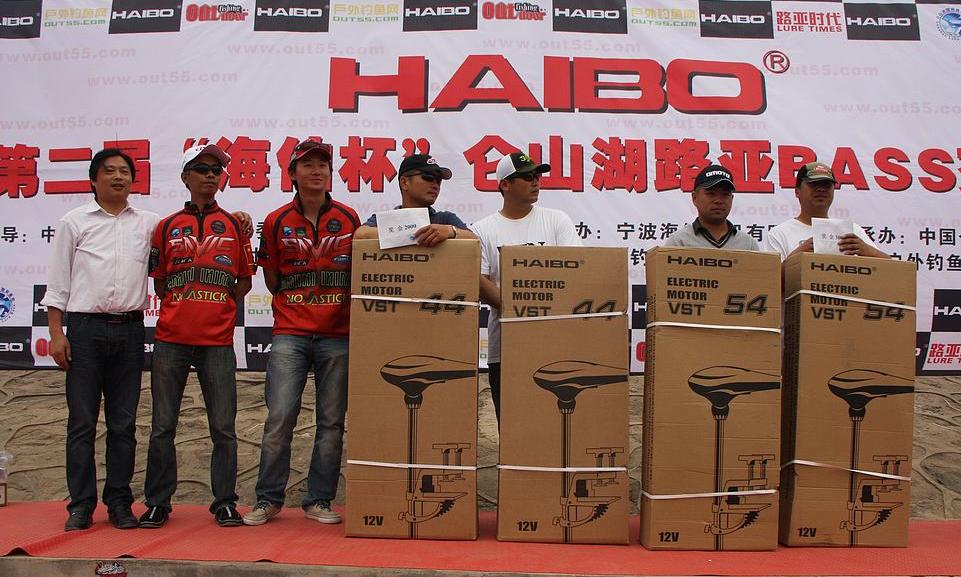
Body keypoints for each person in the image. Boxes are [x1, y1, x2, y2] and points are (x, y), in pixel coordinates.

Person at [243, 138, 360, 526]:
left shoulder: (349, 218)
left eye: (323, 165)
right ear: (292, 173)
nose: (316, 171)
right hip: (290, 333)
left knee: (331, 422)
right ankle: (268, 499)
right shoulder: (276, 220)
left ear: (331, 173)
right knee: (280, 417)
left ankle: (319, 500)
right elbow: (273, 279)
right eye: (307, 165)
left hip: (338, 334)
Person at [139, 144, 255, 528]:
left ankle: (225, 502)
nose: (210, 175)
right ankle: (158, 503)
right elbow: (160, 283)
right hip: (171, 338)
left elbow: (243, 281)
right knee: (162, 426)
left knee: (223, 427)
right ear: (185, 177)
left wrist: (215, 308)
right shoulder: (166, 226)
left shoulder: (236, 225)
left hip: (217, 341)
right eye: (202, 169)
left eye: (215, 171)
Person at [43, 148, 159, 531]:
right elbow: (58, 284)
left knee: (124, 424)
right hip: (84, 331)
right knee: (82, 423)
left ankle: (120, 503)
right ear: (93, 179)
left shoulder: (149, 224)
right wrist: (56, 333)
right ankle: (80, 505)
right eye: (109, 171)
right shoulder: (74, 222)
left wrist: (239, 219)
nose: (118, 177)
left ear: (133, 180)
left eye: (125, 171)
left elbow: (185, 235)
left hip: (130, 330)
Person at [470, 152, 582, 422]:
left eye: (538, 176)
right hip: (506, 346)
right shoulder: (483, 229)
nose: (536, 181)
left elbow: (577, 269)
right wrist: (519, 309)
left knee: (554, 424)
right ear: (505, 184)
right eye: (528, 176)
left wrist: (542, 311)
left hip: (555, 342)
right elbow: (478, 279)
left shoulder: (557, 220)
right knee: (513, 425)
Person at [764, 161, 888, 259]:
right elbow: (769, 277)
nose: (821, 189)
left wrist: (868, 251)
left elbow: (892, 269)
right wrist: (797, 257)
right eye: (813, 184)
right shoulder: (779, 234)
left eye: (826, 185)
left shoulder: (852, 232)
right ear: (797, 192)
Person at [353, 153, 477, 245]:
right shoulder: (386, 220)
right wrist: (413, 233)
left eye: (438, 180)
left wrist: (451, 231)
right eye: (428, 177)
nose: (435, 185)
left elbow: (474, 240)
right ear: (404, 183)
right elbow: (361, 235)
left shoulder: (444, 219)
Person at [664, 164, 760, 250]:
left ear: (732, 198)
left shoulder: (748, 244)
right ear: (694, 198)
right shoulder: (679, 242)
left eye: (725, 194)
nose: (718, 200)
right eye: (711, 194)